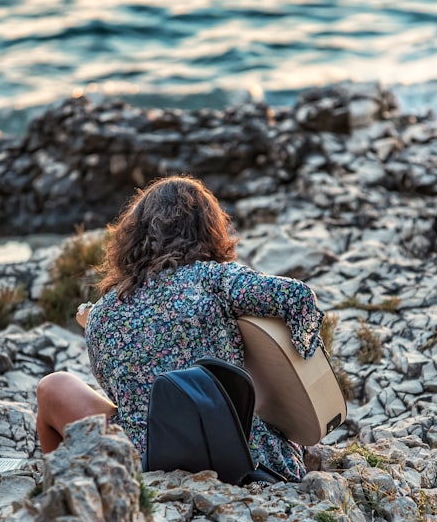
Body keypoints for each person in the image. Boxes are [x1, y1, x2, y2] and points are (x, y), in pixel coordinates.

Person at [35, 175, 324, 482]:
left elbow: (121, 393)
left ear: (132, 236)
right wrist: (299, 358)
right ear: (207, 229)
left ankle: (65, 490)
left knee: (54, 387)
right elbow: (299, 296)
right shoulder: (213, 279)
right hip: (234, 453)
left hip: (142, 460)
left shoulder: (101, 313)